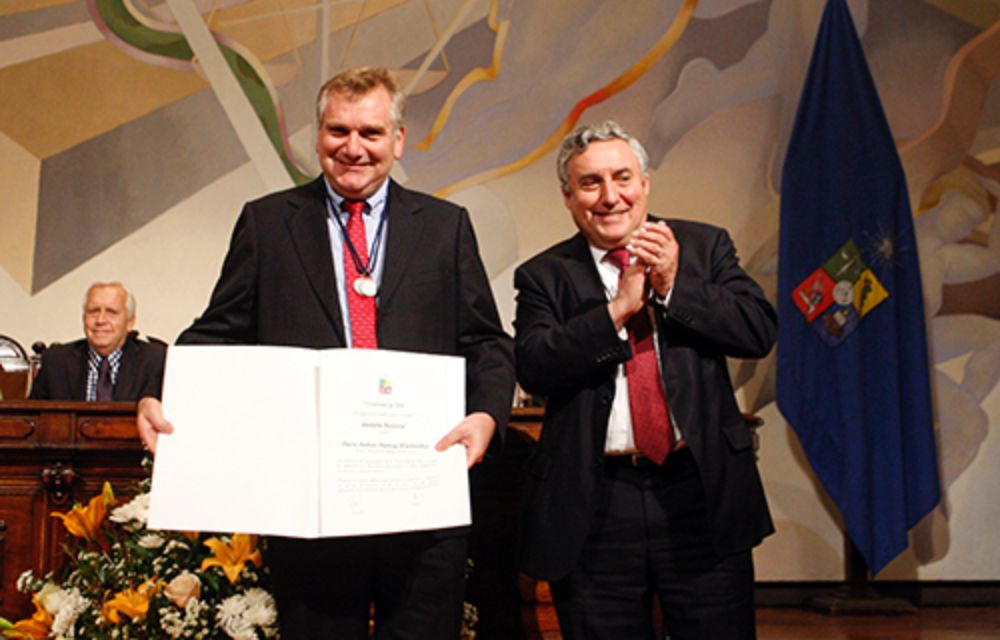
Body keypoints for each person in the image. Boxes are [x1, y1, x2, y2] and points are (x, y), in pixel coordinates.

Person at [136, 67, 515, 639]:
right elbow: (218, 331)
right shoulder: (267, 223)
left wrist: (486, 414)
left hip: (419, 493)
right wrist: (163, 390)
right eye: (339, 131)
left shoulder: (445, 227)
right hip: (308, 502)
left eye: (371, 132)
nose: (354, 148)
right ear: (318, 136)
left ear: (398, 139)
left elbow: (486, 340)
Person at [513, 120, 776, 639]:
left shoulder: (702, 246)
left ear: (646, 184)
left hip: (699, 493)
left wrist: (676, 284)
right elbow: (536, 364)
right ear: (568, 197)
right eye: (590, 183)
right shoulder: (543, 275)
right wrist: (617, 311)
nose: (610, 197)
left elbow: (757, 331)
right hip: (595, 505)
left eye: (623, 178)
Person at [30, 282, 165, 402]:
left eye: (111, 312)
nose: (100, 320)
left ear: (130, 322)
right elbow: (32, 419)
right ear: (84, 318)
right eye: (93, 311)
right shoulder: (55, 362)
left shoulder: (156, 362)